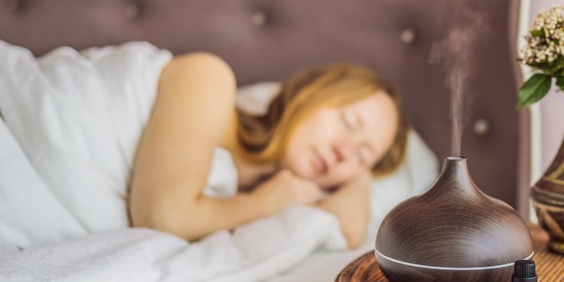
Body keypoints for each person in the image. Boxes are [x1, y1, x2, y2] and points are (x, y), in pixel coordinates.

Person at [128, 53, 408, 248]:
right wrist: (260, 204)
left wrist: (361, 173)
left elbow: (347, 229)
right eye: (348, 123)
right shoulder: (208, 78)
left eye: (362, 155)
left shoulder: (262, 192)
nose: (343, 152)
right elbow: (162, 216)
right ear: (307, 95)